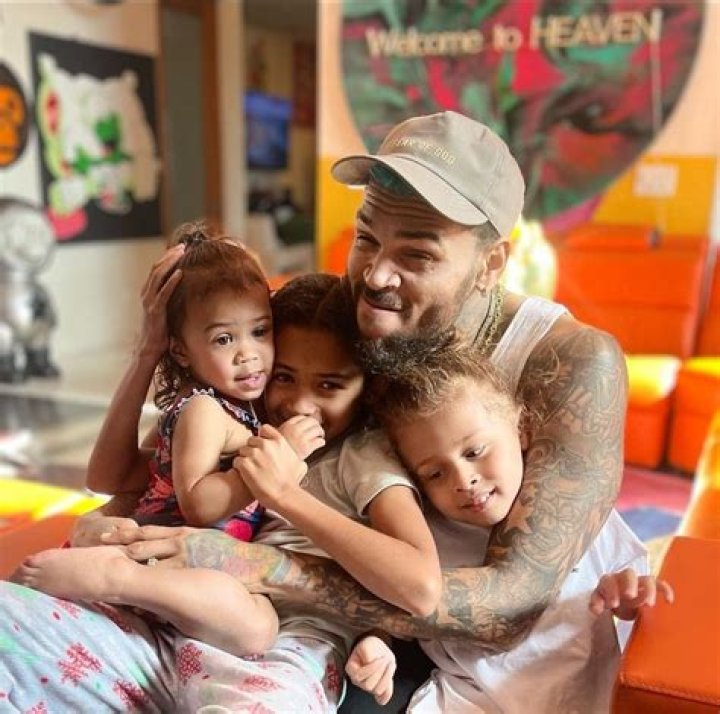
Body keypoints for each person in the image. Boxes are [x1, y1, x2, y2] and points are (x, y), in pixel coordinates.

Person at [0, 111, 630, 711]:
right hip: (342, 630)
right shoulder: (356, 319)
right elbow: (196, 440)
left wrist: (255, 564)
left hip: (485, 666)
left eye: (416, 255)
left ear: (491, 263)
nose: (376, 276)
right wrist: (117, 529)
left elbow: (510, 606)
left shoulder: (573, 361)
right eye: (366, 239)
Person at [2, 271, 442, 711]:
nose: (299, 404)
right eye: (284, 376)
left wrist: (283, 492)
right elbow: (122, 479)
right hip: (164, 624)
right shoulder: (240, 417)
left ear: (369, 388)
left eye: (330, 385)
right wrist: (105, 523)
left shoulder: (362, 456)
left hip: (284, 648)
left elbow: (419, 586)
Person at [12, 224, 330, 658]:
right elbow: (197, 504)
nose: (248, 353)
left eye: (260, 331)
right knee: (258, 629)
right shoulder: (204, 409)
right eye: (224, 339)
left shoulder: (233, 407)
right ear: (180, 350)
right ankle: (118, 577)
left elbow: (120, 475)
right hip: (173, 557)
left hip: (193, 568)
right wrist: (280, 457)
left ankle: (112, 566)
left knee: (257, 621)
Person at [343, 332, 673, 711]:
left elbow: (631, 603)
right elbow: (393, 609)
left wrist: (627, 596)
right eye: (435, 473)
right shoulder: (423, 535)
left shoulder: (572, 512)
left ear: (522, 429)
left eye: (474, 451)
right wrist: (377, 643)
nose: (463, 480)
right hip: (468, 702)